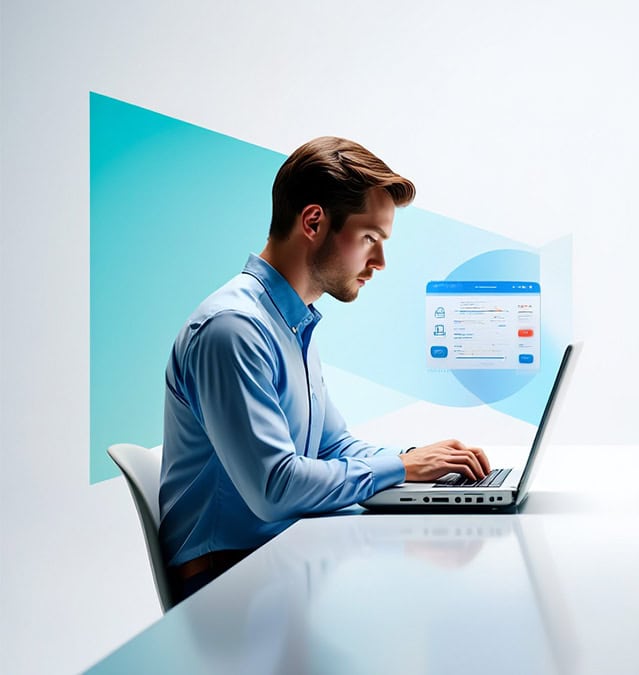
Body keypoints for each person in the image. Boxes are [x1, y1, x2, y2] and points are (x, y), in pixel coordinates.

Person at [159, 137, 491, 602]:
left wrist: (424, 464)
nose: (379, 263)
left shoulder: (290, 323)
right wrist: (400, 468)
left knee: (449, 565)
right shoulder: (233, 330)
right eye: (369, 239)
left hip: (282, 557)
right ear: (314, 222)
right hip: (231, 586)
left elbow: (334, 444)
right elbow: (275, 488)